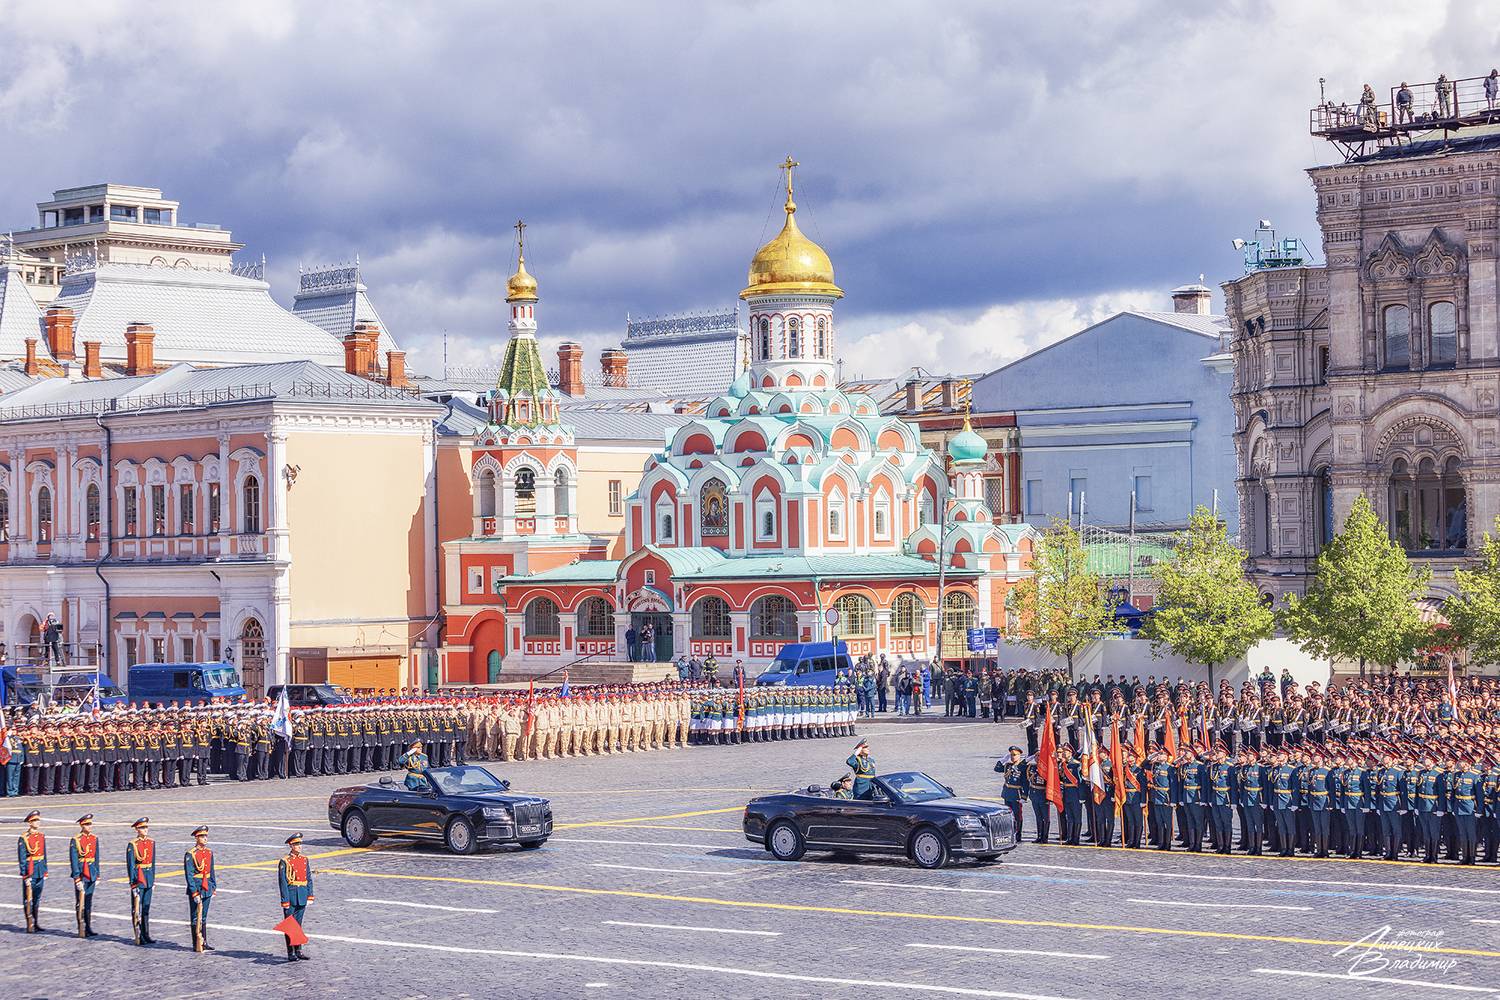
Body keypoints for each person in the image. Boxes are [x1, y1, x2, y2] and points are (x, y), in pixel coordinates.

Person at [278, 833, 314, 961]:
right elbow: (283, 882)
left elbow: (308, 878)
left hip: (302, 895)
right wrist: (285, 900)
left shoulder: (304, 859)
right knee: (290, 925)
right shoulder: (285, 861)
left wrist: (310, 895)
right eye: (296, 844)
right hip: (291, 896)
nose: (299, 846)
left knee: (298, 925)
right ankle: (290, 953)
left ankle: (298, 950)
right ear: (291, 845)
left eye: (300, 844)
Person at [185, 825, 216, 951]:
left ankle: (204, 941)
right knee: (195, 916)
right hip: (197, 888)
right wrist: (194, 893)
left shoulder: (209, 852)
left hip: (207, 887)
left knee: (203, 916)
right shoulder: (190, 854)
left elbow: (212, 871)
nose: (205, 838)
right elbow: (189, 875)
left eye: (206, 836)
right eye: (202, 836)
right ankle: (196, 943)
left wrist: (213, 887)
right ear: (196, 838)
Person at [126, 817, 156, 945]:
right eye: (142, 828)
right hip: (139, 878)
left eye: (146, 827)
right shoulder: (133, 845)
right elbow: (131, 865)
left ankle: (146, 934)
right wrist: (133, 884)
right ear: (137, 829)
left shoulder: (151, 842)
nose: (145, 830)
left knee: (146, 908)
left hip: (148, 878)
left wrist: (153, 880)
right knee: (137, 908)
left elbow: (152, 863)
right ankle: (138, 935)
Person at [69, 813, 99, 938]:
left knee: (88, 901)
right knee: (80, 902)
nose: (89, 826)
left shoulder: (94, 838)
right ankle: (81, 926)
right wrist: (77, 878)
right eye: (87, 824)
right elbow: (74, 860)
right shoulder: (76, 840)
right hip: (81, 873)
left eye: (90, 824)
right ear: (81, 825)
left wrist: (97, 874)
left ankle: (88, 926)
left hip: (91, 873)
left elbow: (96, 858)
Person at [17, 809, 46, 932]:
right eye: (35, 820)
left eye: (38, 820)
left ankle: (36, 922)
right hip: (30, 870)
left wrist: (45, 870)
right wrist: (25, 876)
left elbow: (44, 855)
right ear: (30, 822)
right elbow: (22, 858)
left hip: (39, 870)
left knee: (37, 898)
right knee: (28, 898)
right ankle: (30, 922)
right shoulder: (24, 838)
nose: (37, 822)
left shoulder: (41, 836)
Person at [996, 746, 1027, 843]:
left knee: (1017, 816)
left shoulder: (1023, 767)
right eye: (1011, 755)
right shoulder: (1008, 765)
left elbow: (1026, 783)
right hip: (1007, 793)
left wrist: (1024, 796)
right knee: (1008, 815)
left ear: (1019, 755)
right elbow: (997, 769)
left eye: (1015, 755)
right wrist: (1002, 760)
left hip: (1016, 794)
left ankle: (1018, 834)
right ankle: (1010, 832)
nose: (1013, 757)